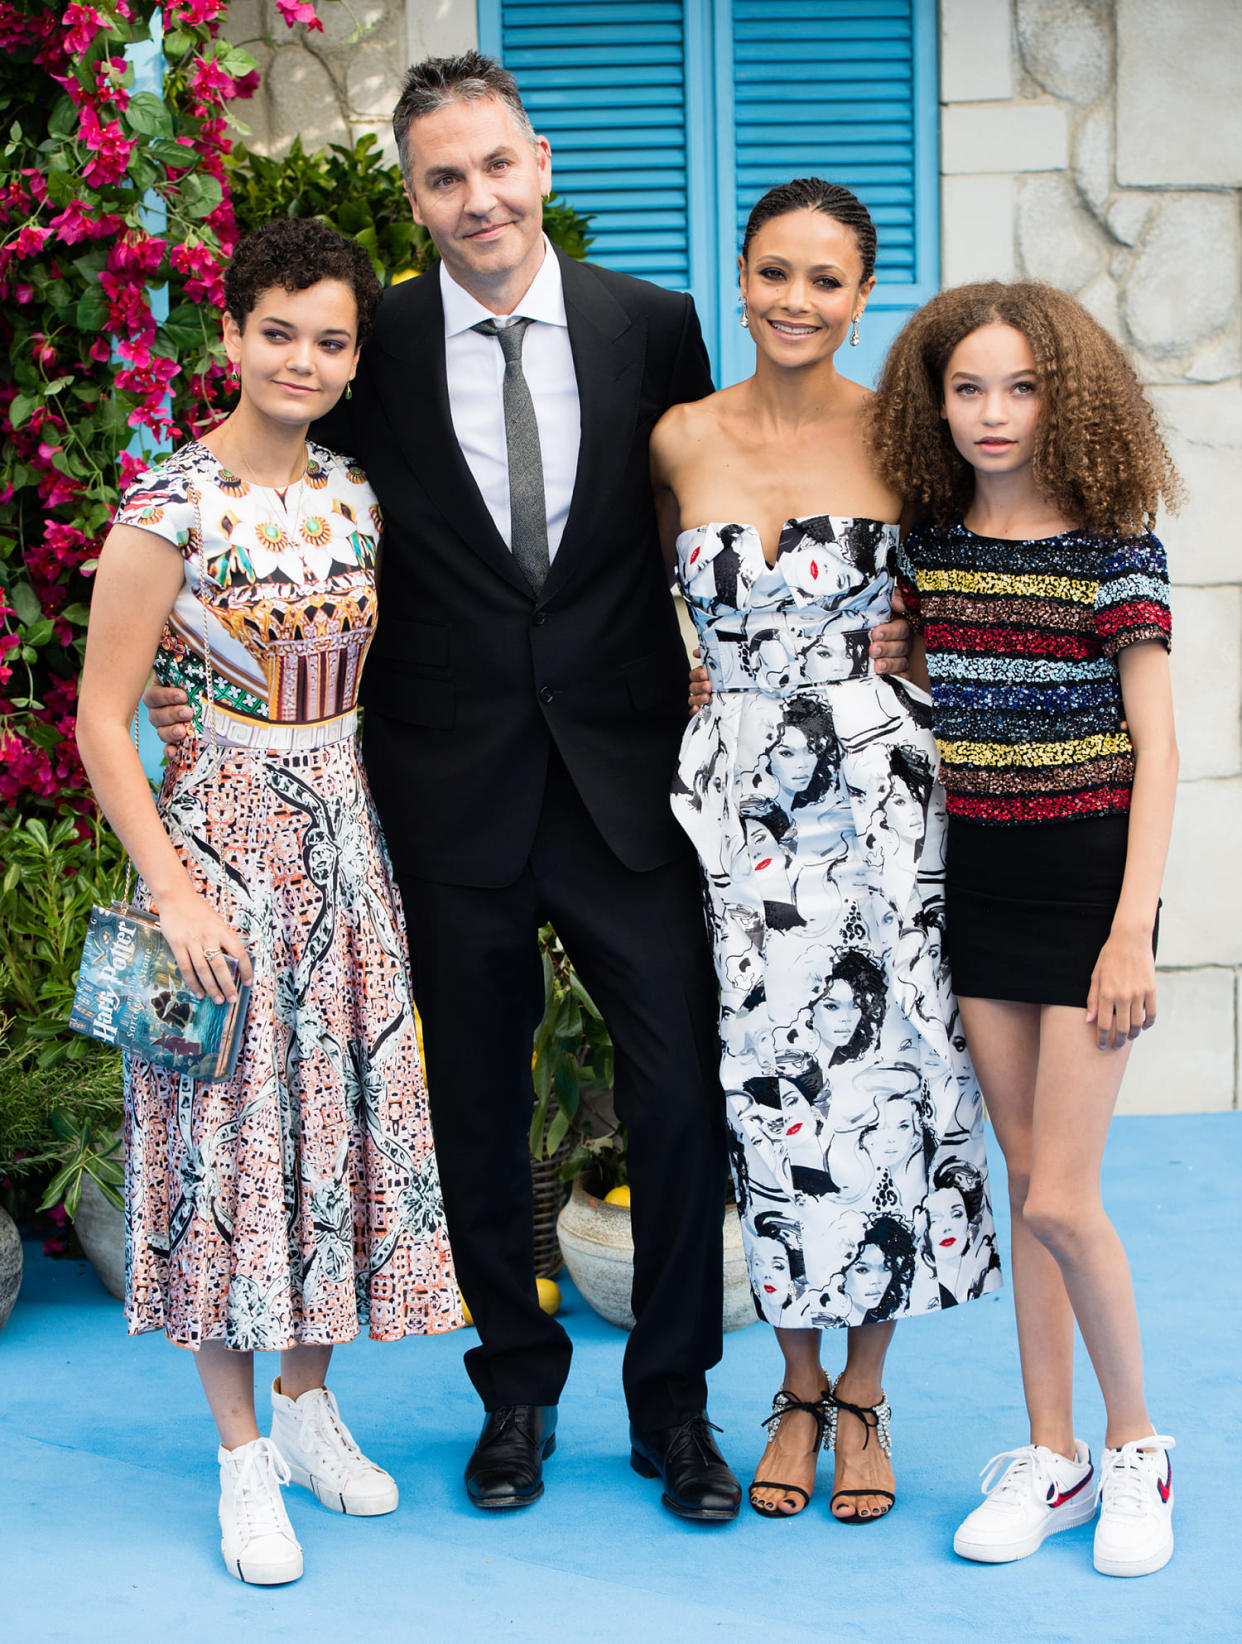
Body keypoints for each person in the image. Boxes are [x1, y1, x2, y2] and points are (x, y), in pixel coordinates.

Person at [143, 49, 911, 1522]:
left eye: (496, 166)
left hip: (629, 781)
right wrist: (197, 676)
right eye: (443, 177)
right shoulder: (374, 345)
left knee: (677, 1097)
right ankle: (514, 1391)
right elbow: (297, 529)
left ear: (541, 164)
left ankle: (674, 1405)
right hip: (448, 792)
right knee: (475, 1114)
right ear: (415, 196)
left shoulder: (655, 326)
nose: (477, 198)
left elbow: (720, 503)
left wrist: (891, 617)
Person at [75, 219, 461, 1586]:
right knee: (225, 1158)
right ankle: (240, 1456)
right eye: (278, 330)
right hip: (220, 865)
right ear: (230, 338)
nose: (302, 357)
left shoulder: (359, 499)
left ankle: (306, 1405)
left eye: (331, 338)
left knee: (342, 1135)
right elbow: (104, 722)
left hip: (347, 856)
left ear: (355, 361)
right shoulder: (163, 509)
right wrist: (176, 894)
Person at [651, 179, 1000, 1525]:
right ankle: (791, 1388)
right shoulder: (675, 438)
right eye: (774, 274)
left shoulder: (910, 442)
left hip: (882, 797)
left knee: (891, 1076)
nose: (797, 301)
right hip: (737, 803)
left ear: (864, 297)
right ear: (739, 278)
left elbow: (970, 593)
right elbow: (628, 606)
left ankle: (862, 1394)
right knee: (762, 1085)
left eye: (826, 280)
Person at [871, 280, 1180, 1577]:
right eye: (967, 389)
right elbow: (976, 687)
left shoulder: (1113, 543)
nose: (992, 414)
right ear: (934, 403)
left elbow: (1156, 748)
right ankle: (1047, 1452)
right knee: (1020, 1174)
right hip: (982, 874)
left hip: (1090, 880)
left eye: (1019, 387)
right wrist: (909, 660)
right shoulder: (931, 543)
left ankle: (1134, 1449)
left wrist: (1129, 935)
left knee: (1063, 1194)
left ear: (1064, 395)